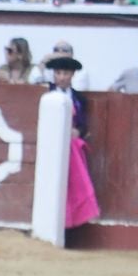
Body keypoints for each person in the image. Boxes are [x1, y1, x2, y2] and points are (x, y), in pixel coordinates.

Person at [47, 55, 100, 229]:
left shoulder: (79, 99)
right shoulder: (45, 93)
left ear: (72, 75)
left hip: (72, 147)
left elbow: (83, 125)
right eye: (58, 73)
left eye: (66, 73)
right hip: (50, 147)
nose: (61, 77)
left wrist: (78, 131)